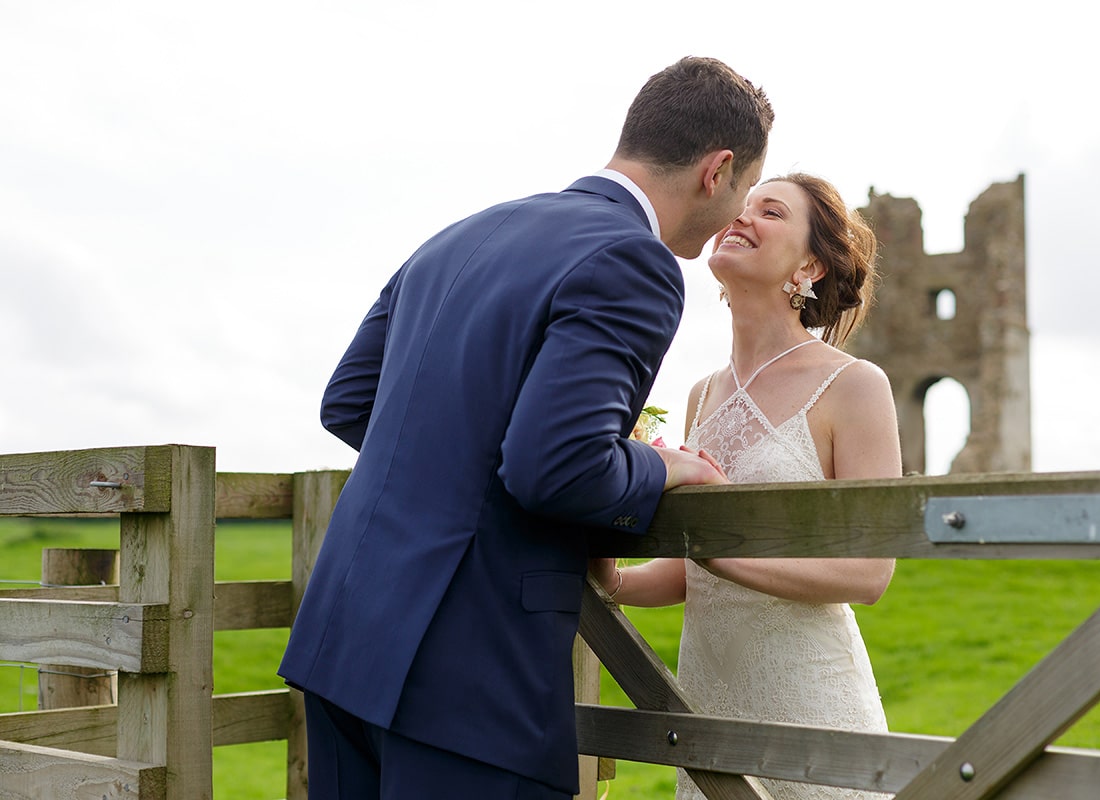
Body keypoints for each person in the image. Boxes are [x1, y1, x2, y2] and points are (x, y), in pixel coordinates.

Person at [278, 57, 773, 800]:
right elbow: (557, 467)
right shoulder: (634, 260)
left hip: (346, 636)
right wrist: (662, 468)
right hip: (470, 676)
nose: (737, 211)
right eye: (743, 189)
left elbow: (350, 403)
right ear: (718, 170)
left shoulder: (460, 235)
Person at [592, 172, 901, 800]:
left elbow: (870, 573)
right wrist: (613, 578)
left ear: (810, 265)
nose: (742, 215)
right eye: (743, 205)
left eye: (772, 211)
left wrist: (725, 558)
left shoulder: (854, 385)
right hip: (707, 699)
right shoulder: (701, 394)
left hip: (810, 697)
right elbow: (688, 574)